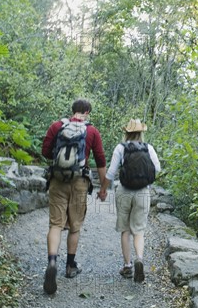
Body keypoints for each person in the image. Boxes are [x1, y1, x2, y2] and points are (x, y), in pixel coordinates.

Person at [41, 99, 107, 295]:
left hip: (57, 180)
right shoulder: (92, 131)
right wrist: (103, 187)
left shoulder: (57, 125)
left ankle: (52, 261)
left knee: (55, 224)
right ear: (87, 112)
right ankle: (70, 266)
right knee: (75, 226)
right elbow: (101, 160)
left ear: (73, 111)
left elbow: (45, 152)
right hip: (79, 181)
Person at [98, 119, 161, 283]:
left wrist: (103, 189)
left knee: (125, 230)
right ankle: (139, 258)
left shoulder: (121, 148)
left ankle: (127, 265)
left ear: (126, 132)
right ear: (141, 133)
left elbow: (111, 173)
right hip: (142, 192)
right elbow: (157, 169)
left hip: (124, 191)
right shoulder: (149, 148)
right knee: (138, 231)